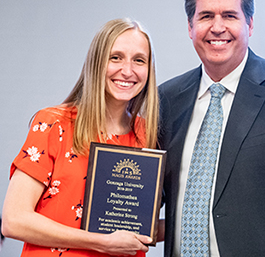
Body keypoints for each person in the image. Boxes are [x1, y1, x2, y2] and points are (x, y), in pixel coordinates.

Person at [158, 0, 265, 257]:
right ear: (190, 26)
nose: (217, 27)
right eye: (206, 16)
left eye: (230, 16)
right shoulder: (166, 99)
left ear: (249, 25)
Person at [1, 18, 160, 256]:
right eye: (115, 57)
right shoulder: (54, 124)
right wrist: (102, 242)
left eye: (139, 60)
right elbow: (14, 220)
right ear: (97, 62)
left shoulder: (147, 136)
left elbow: (141, 225)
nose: (127, 71)